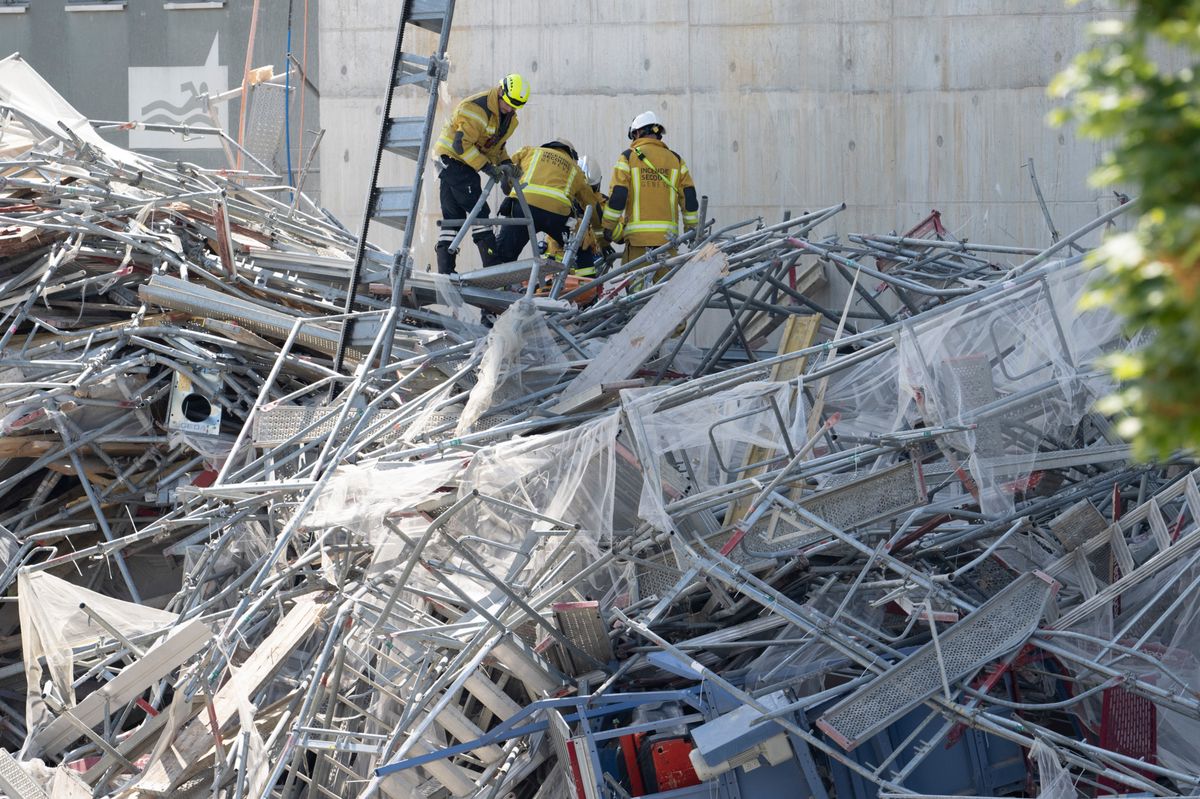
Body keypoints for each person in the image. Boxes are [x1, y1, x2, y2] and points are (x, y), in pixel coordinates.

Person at [432, 73, 530, 274]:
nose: (510, 109)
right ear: (501, 91)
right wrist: (487, 167)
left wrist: (506, 166)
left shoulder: (507, 118)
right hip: (453, 158)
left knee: (453, 217)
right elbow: (461, 145)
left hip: (453, 162)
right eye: (508, 103)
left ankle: (445, 272)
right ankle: (492, 268)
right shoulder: (477, 108)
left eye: (515, 106)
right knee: (480, 212)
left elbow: (495, 147)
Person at [601, 111, 699, 278]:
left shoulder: (628, 157)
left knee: (637, 296)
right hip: (668, 243)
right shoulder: (676, 160)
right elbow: (689, 198)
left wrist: (608, 227)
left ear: (637, 133)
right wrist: (691, 230)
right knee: (666, 295)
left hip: (638, 244)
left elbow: (618, 196)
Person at [495, 138, 601, 264]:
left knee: (502, 254)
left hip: (522, 208)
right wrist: (602, 241)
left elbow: (506, 170)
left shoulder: (529, 151)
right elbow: (591, 205)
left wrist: (507, 188)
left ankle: (499, 282)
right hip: (556, 215)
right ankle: (587, 280)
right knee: (581, 247)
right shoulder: (575, 169)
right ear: (571, 154)